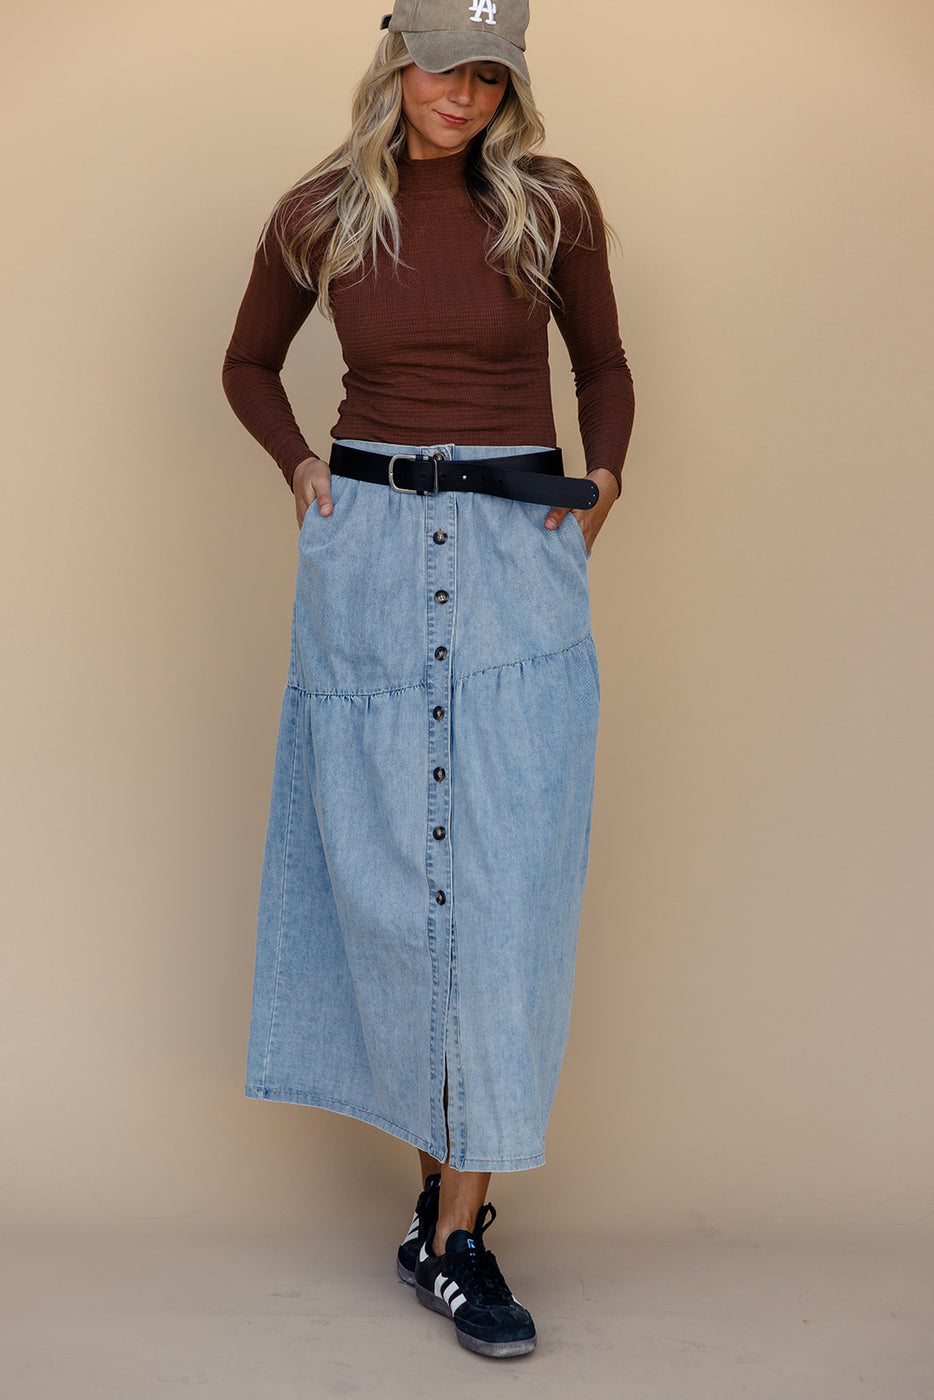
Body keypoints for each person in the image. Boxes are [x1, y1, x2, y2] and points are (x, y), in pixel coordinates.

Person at [222, 0, 634, 1359]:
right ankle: (437, 1217)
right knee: (401, 883)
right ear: (395, 58)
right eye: (439, 67)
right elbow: (245, 363)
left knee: (501, 883)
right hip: (371, 552)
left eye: (485, 76)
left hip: (516, 546)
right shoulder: (323, 209)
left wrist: (604, 480)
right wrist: (299, 468)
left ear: (509, 86)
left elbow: (605, 367)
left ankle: (457, 1237)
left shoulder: (551, 202)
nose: (456, 95)